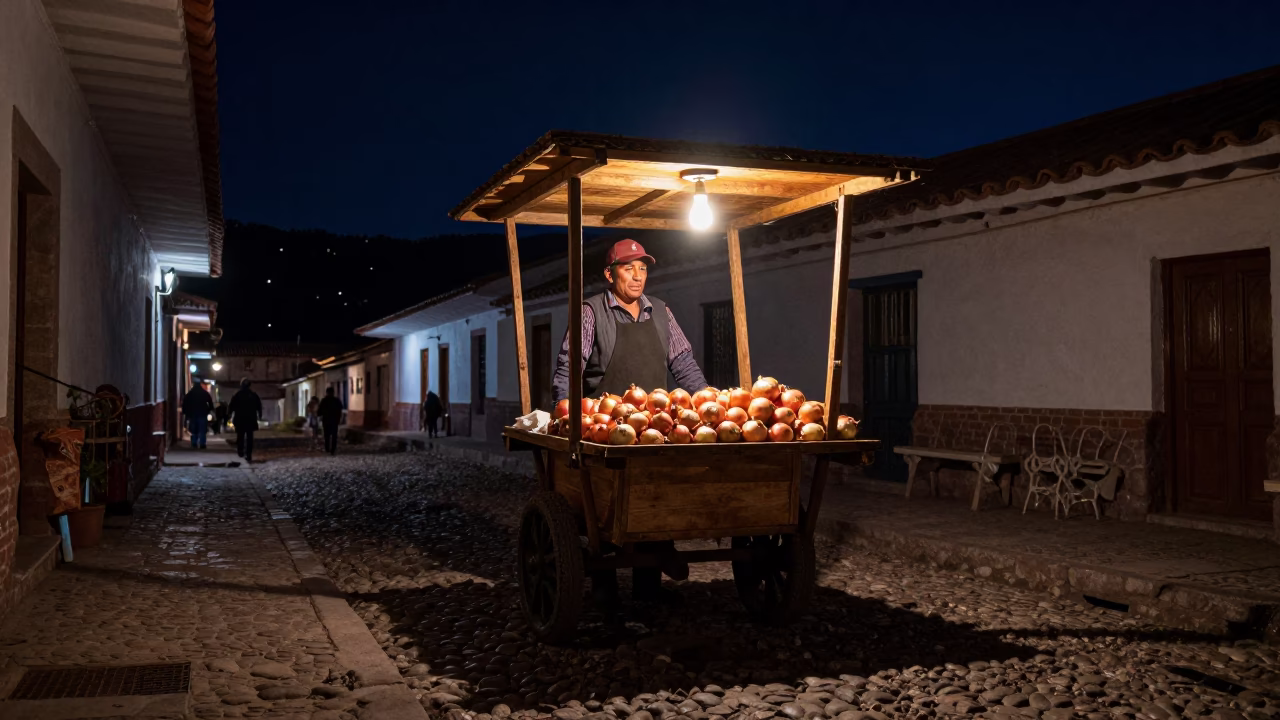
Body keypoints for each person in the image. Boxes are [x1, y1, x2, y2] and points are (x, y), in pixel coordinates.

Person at [551, 238, 708, 604]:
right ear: (610, 273)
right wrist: (564, 410)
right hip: (605, 428)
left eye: (643, 269)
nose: (637, 277)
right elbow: (569, 366)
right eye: (628, 268)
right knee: (606, 510)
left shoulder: (661, 312)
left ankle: (649, 586)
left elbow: (683, 363)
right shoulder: (591, 312)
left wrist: (703, 401)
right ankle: (605, 589)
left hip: (654, 427)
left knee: (651, 501)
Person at [228, 378, 263, 463]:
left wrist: (229, 415)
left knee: (240, 436)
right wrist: (259, 415)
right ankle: (248, 454)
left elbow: (231, 406)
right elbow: (259, 407)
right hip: (250, 419)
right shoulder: (253, 395)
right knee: (249, 438)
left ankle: (240, 452)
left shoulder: (237, 395)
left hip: (240, 419)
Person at [181, 380, 214, 449]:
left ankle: (194, 443)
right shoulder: (204, 393)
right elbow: (210, 402)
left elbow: (185, 403)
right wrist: (209, 410)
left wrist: (185, 412)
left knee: (193, 430)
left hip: (192, 414)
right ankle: (202, 443)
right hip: (202, 414)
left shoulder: (190, 394)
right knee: (202, 430)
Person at [317, 387, 344, 455]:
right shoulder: (336, 400)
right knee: (334, 435)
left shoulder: (324, 401)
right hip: (334, 420)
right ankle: (333, 449)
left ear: (327, 393)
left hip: (326, 420)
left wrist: (320, 414)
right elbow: (340, 410)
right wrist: (339, 418)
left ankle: (327, 448)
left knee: (327, 435)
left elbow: (319, 412)